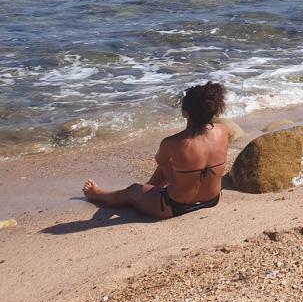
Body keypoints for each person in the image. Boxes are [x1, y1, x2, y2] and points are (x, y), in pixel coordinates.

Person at [82, 82, 229, 219]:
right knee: (179, 163)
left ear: (185, 113)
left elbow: (167, 171)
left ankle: (98, 194)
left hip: (175, 206)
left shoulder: (172, 143)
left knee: (133, 191)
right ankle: (150, 188)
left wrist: (176, 184)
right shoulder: (223, 131)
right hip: (212, 199)